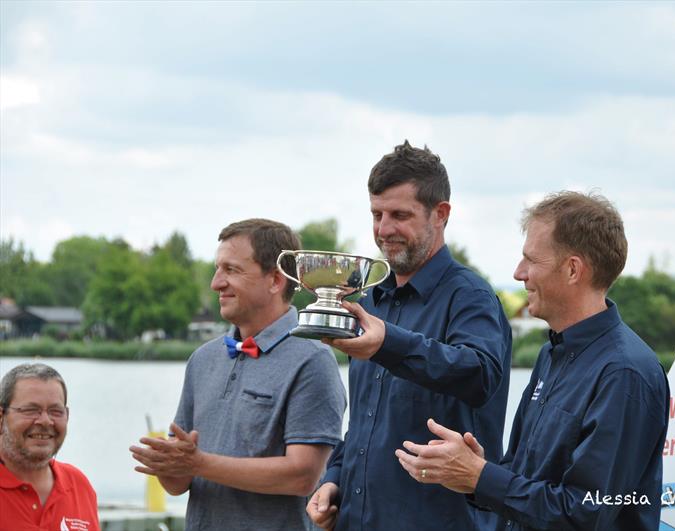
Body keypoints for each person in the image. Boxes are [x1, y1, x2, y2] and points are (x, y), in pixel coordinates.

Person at [395, 191, 670, 531]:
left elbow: (585, 514)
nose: (518, 273)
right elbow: (524, 479)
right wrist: (476, 471)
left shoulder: (624, 373)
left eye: (531, 260)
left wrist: (482, 478)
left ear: (572, 270)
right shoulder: (551, 354)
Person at [307, 141, 512, 530]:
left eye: (400, 215)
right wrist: (333, 477)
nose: (384, 230)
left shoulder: (471, 296)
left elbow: (481, 373)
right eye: (376, 214)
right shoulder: (370, 300)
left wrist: (389, 344)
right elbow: (366, 422)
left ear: (441, 214)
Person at [130, 218, 347, 531]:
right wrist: (170, 464)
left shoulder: (313, 361)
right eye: (218, 269)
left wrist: (199, 463)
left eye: (231, 270)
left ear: (275, 280)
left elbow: (303, 476)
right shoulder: (202, 359)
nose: (216, 283)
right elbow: (178, 485)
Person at [0, 363, 100, 531]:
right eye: (31, 410)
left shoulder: (79, 485)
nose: (45, 421)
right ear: (1, 417)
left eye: (55, 411)